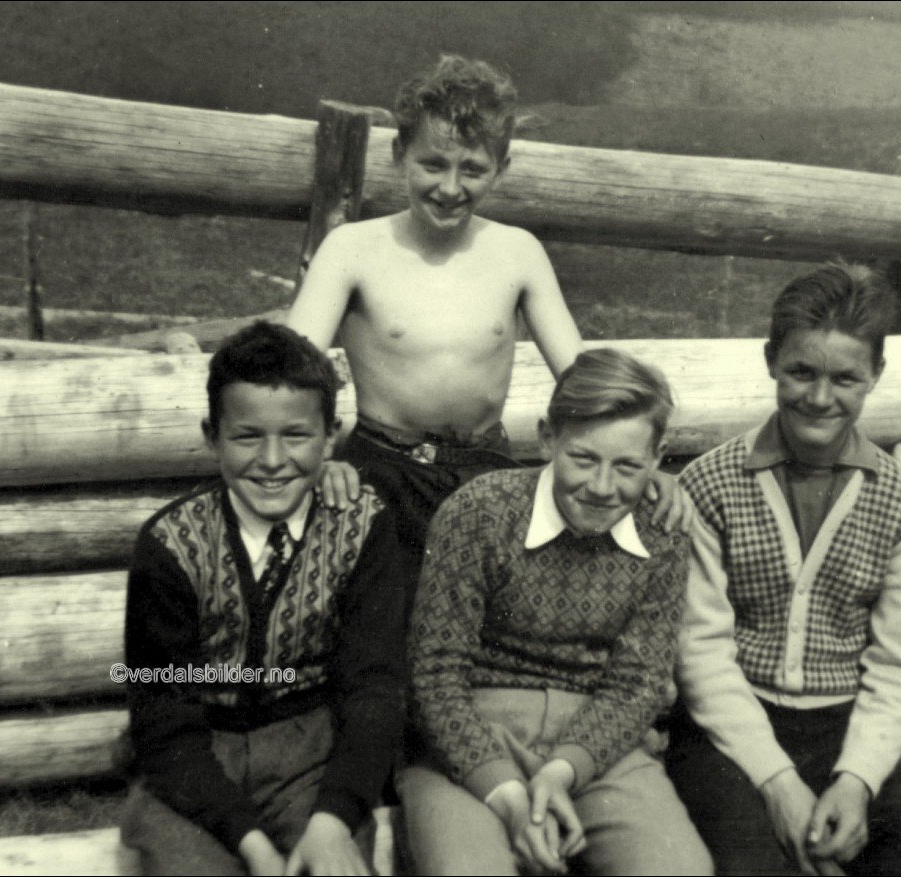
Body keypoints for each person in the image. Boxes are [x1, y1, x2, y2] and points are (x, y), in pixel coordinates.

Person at [286, 54, 689, 570]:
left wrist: (641, 459)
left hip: (486, 470)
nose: (450, 188)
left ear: (501, 170)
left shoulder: (517, 252)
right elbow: (291, 372)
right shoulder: (352, 249)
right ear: (399, 154)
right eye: (433, 164)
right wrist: (315, 460)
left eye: (473, 169)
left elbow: (583, 377)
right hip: (380, 471)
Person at [666, 265, 901, 876]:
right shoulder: (709, 484)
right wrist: (779, 784)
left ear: (875, 375)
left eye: (845, 379)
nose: (818, 398)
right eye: (801, 372)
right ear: (771, 361)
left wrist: (858, 780)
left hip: (847, 731)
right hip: (727, 732)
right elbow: (700, 652)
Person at [401, 349, 714, 876]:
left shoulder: (662, 534)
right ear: (548, 438)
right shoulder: (480, 511)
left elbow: (637, 685)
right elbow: (433, 676)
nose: (602, 487)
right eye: (583, 459)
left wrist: (561, 773)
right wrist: (506, 793)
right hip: (469, 734)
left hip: (600, 740)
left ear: (658, 457)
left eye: (627, 466)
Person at [121, 321, 405, 876]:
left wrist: (333, 821)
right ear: (212, 437)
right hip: (196, 762)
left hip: (313, 759)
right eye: (247, 437)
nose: (273, 460)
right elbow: (163, 715)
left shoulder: (361, 527)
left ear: (330, 437)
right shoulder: (170, 544)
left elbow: (373, 688)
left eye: (296, 436)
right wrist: (254, 849)